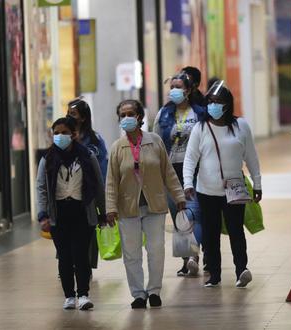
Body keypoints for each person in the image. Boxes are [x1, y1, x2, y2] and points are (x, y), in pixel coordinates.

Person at [105, 100, 186, 309]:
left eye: (130, 114)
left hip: (154, 205)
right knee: (131, 253)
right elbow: (112, 181)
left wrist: (179, 197)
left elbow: (168, 173)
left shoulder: (155, 141)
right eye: (122, 115)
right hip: (127, 207)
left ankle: (154, 291)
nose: (126, 118)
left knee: (156, 249)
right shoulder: (117, 147)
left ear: (140, 117)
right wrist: (110, 208)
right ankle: (138, 294)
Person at [183, 81, 262, 288]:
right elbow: (190, 158)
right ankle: (214, 275)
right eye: (211, 102)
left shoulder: (241, 126)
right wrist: (187, 183)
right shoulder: (200, 128)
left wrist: (257, 183)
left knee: (236, 230)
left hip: (234, 189)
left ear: (227, 104)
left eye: (218, 102)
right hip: (206, 190)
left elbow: (251, 156)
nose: (213, 106)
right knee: (210, 233)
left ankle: (241, 270)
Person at [36, 117, 105, 310]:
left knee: (81, 254)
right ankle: (69, 296)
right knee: (65, 256)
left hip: (82, 212)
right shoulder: (47, 159)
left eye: (64, 132)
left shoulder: (87, 156)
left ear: (74, 134)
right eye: (56, 133)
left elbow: (98, 186)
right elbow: (41, 187)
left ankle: (83, 294)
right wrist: (43, 214)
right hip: (59, 214)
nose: (60, 136)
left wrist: (103, 211)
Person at [154, 73, 205, 277]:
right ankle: (187, 261)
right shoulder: (164, 114)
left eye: (178, 86)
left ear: (189, 90)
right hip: (170, 171)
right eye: (171, 86)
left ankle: (194, 256)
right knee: (178, 217)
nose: (173, 90)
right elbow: (156, 140)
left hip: (195, 169)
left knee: (194, 213)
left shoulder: (200, 113)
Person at [66, 98, 108, 273]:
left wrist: (102, 199)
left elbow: (101, 168)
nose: (69, 117)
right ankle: (68, 265)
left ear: (83, 118)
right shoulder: (63, 136)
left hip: (87, 193)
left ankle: (85, 267)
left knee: (87, 231)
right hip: (66, 193)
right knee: (67, 232)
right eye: (68, 113)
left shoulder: (94, 140)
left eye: (73, 114)